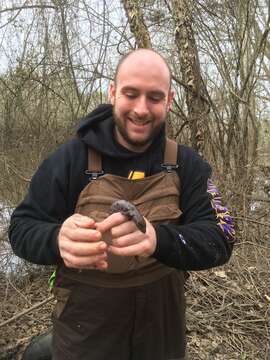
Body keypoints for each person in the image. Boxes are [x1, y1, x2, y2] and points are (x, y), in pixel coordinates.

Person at [9, 48, 235, 360]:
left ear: (169, 101)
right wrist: (55, 239)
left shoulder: (187, 164)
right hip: (84, 333)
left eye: (154, 97)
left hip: (161, 332)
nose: (141, 109)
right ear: (113, 93)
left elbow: (222, 237)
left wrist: (159, 239)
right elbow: (21, 228)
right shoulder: (70, 159)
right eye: (131, 94)